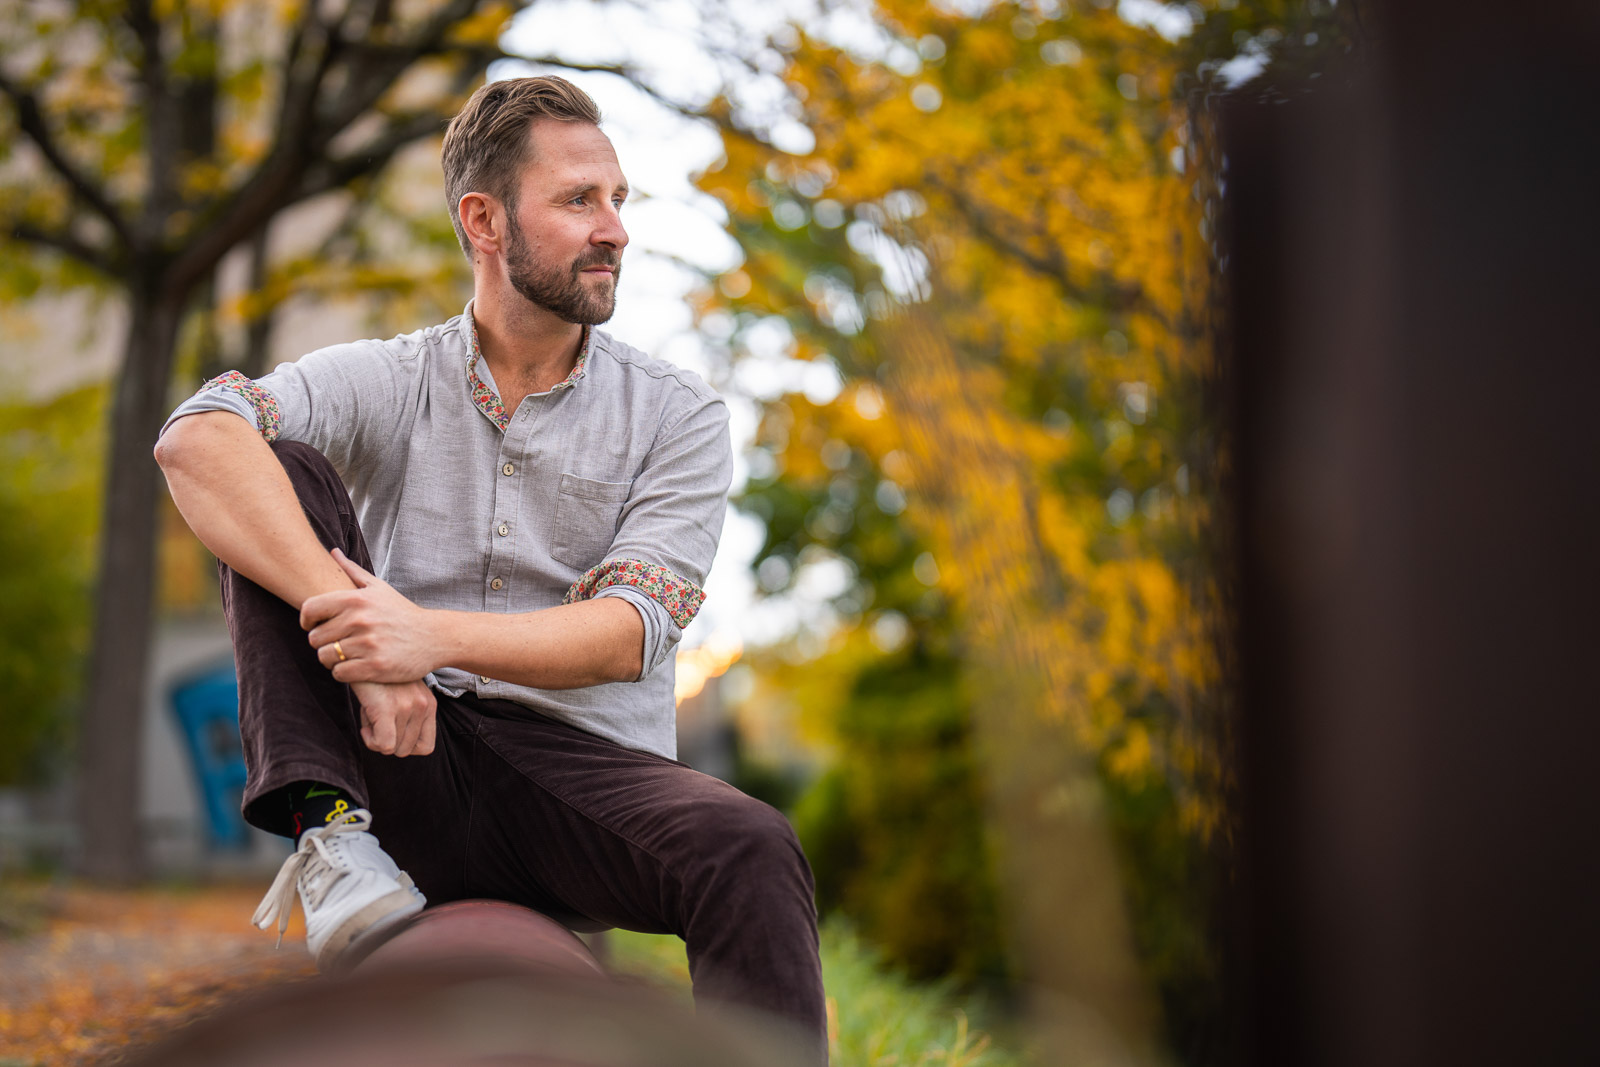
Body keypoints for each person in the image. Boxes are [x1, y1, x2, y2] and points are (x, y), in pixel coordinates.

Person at [153, 75, 826, 1056]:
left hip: (578, 779)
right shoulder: (387, 377)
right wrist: (376, 648)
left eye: (618, 200)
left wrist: (421, 637)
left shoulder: (678, 414)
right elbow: (193, 438)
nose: (615, 231)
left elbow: (629, 631)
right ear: (486, 221)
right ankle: (330, 835)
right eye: (579, 200)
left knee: (750, 845)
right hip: (396, 756)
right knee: (269, 462)